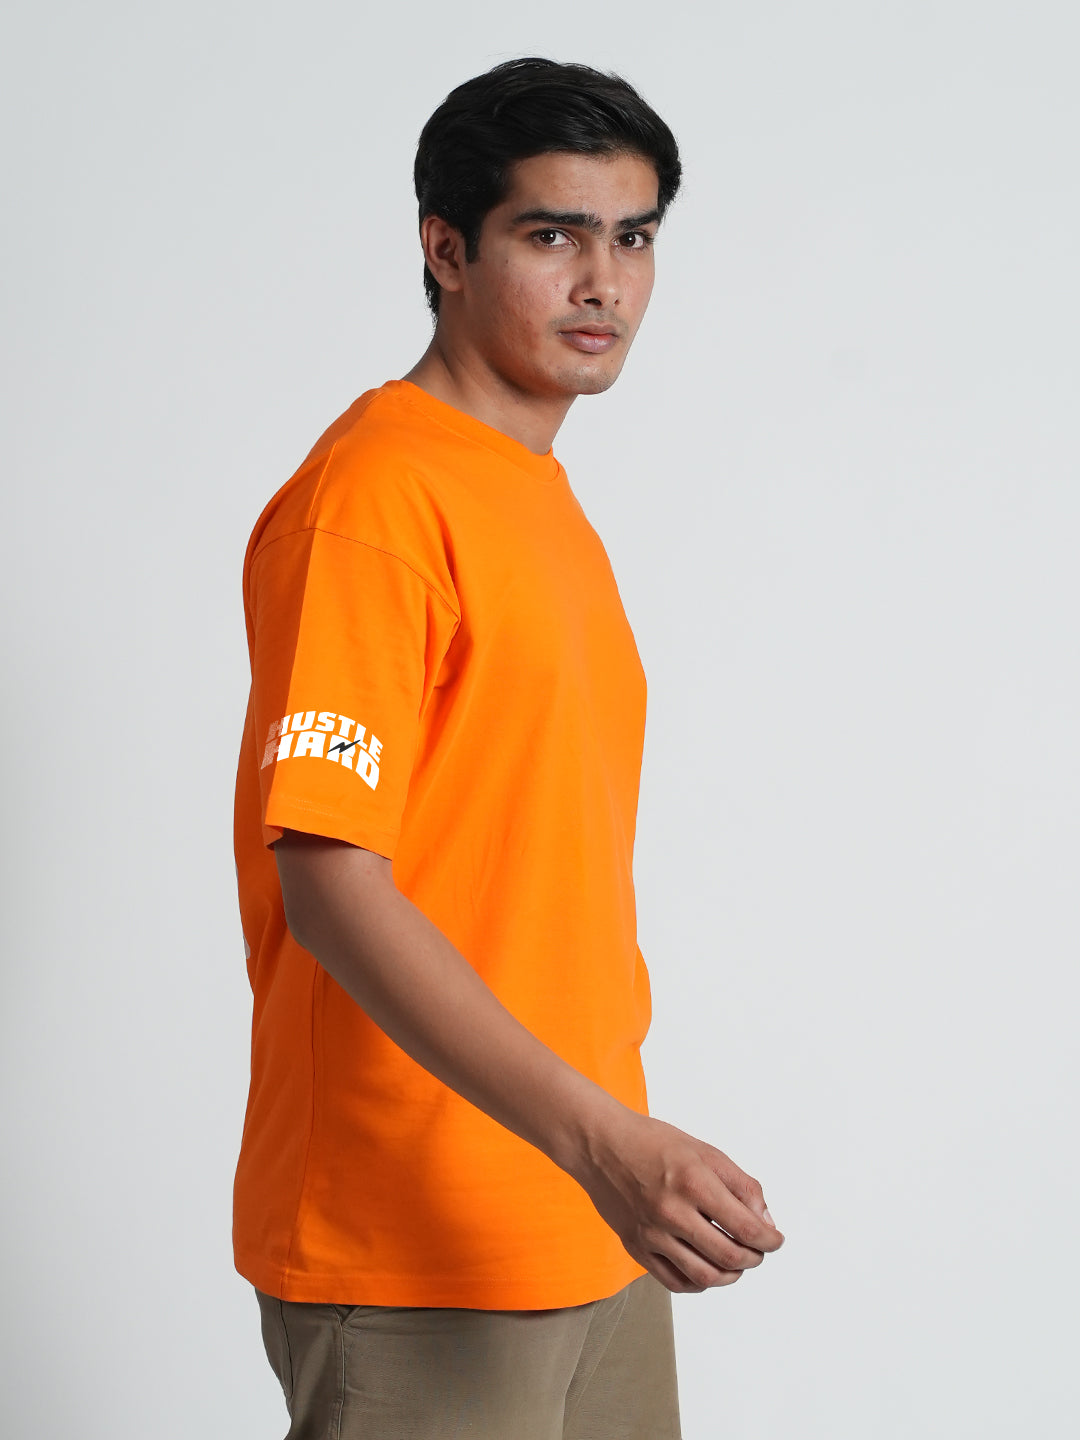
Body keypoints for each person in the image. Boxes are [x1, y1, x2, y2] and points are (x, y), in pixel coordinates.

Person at [233, 56, 783, 1440]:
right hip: (415, 1245)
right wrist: (608, 1142)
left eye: (633, 237)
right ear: (447, 250)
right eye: (553, 234)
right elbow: (330, 882)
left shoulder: (535, 498)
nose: (603, 283)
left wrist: (613, 1156)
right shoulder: (375, 497)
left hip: (589, 1221)